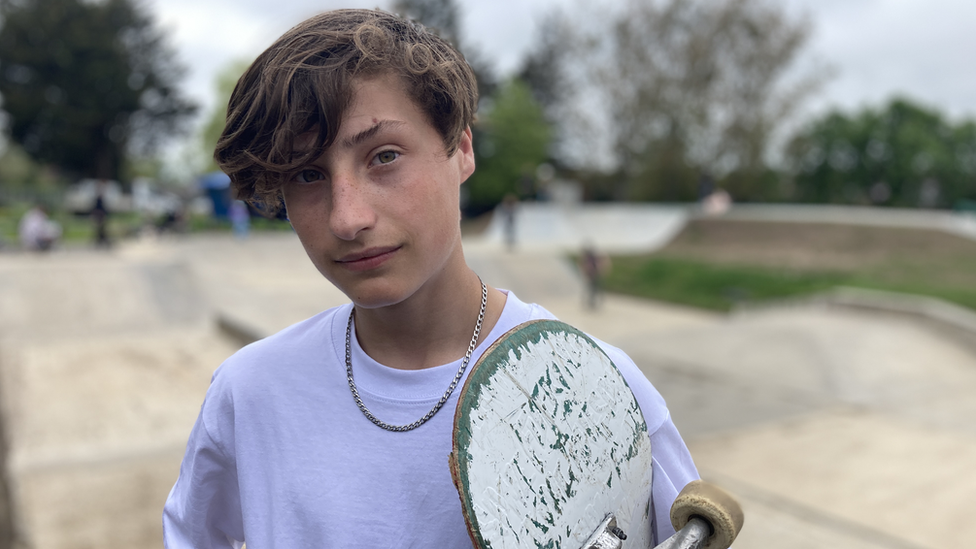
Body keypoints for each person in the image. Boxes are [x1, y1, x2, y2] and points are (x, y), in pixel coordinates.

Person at [162, 9, 698, 548]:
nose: (347, 218)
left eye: (384, 156)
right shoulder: (249, 394)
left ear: (461, 149)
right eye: (307, 175)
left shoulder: (595, 391)